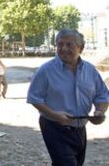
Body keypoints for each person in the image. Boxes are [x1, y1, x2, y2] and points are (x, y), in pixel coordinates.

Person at [27, 29, 109, 166]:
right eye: (60, 44)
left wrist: (100, 111)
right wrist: (55, 115)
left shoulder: (90, 70)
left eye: (69, 45)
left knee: (75, 162)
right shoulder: (46, 70)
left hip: (80, 128)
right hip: (54, 127)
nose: (63, 49)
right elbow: (34, 97)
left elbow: (102, 95)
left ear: (80, 48)